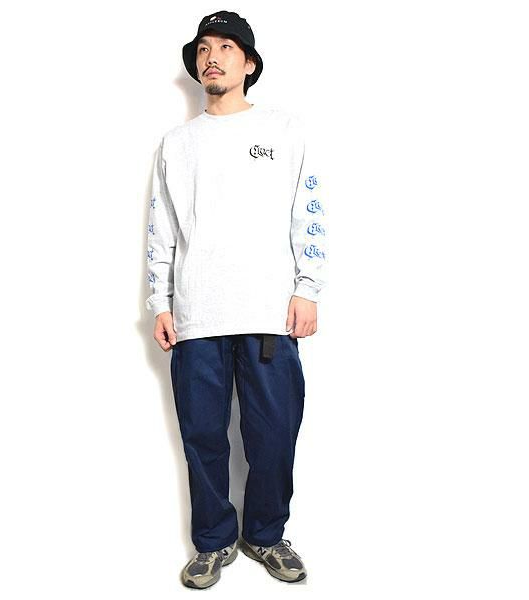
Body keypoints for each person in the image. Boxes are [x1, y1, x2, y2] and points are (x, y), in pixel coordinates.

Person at [146, 10, 327, 589]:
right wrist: (160, 301)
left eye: (226, 47)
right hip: (196, 312)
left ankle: (266, 535)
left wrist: (307, 288)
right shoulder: (177, 144)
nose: (212, 57)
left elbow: (309, 212)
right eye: (203, 48)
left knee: (274, 434)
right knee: (202, 436)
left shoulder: (284, 130)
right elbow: (161, 228)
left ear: (248, 64)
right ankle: (213, 541)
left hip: (269, 311)